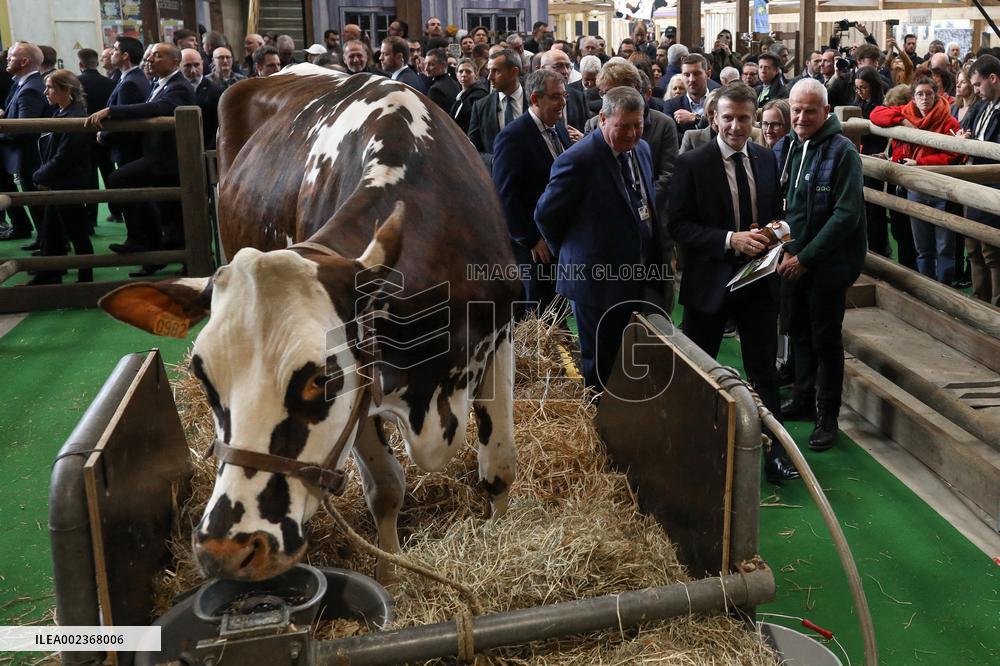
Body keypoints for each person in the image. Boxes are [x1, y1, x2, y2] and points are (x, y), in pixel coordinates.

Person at [669, 82, 799, 484]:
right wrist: (729, 239)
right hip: (710, 284)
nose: (736, 126)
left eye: (744, 118)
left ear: (754, 120)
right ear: (714, 119)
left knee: (764, 371)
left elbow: (777, 211)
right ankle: (695, 445)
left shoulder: (766, 158)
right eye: (728, 118)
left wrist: (776, 231)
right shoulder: (692, 163)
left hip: (758, 283)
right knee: (701, 370)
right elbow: (678, 226)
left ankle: (776, 453)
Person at [535, 86, 669, 390]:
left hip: (637, 277)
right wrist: (575, 254)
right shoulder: (579, 160)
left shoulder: (643, 150)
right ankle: (600, 426)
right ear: (603, 119)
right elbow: (545, 215)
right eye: (624, 126)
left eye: (638, 125)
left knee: (632, 359)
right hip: (595, 284)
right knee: (600, 366)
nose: (633, 134)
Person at [777, 79, 866, 451]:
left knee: (826, 340)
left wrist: (806, 258)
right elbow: (787, 203)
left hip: (827, 266)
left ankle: (827, 416)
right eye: (796, 110)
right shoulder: (792, 147)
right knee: (798, 330)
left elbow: (845, 215)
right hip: (792, 261)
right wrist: (780, 247)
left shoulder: (843, 151)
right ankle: (801, 399)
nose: (801, 117)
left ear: (826, 112)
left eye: (809, 110)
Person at [86, 43, 196, 272]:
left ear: (175, 62)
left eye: (158, 55)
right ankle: (155, 253)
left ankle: (145, 242)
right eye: (150, 55)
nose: (150, 59)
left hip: (167, 160)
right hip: (156, 156)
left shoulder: (179, 87)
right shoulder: (159, 83)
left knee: (120, 179)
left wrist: (113, 111)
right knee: (170, 213)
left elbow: (159, 108)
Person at [492, 69, 571, 318]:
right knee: (538, 312)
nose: (563, 102)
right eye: (556, 97)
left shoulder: (559, 129)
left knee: (558, 310)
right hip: (534, 248)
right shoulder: (512, 137)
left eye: (564, 95)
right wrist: (530, 239)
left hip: (559, 240)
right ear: (536, 100)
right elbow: (505, 196)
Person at [871, 76, 962, 284]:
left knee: (944, 247)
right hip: (914, 189)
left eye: (929, 94)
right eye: (919, 94)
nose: (924, 98)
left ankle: (944, 292)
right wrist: (902, 121)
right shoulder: (906, 112)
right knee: (922, 247)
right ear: (913, 96)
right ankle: (926, 289)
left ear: (936, 95)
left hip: (939, 187)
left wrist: (920, 161)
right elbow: (876, 114)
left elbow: (953, 155)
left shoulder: (948, 120)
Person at [28, 70, 94, 285]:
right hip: (60, 180)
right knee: (54, 230)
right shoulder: (64, 111)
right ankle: (52, 273)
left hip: (68, 181)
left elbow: (64, 156)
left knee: (74, 231)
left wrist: (40, 175)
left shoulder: (73, 116)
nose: (46, 91)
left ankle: (83, 279)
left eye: (50, 88)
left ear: (66, 90)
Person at [958, 55, 1000, 304]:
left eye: (977, 85)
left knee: (992, 251)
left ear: (992, 78)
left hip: (994, 189)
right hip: (973, 186)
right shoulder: (982, 105)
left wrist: (971, 143)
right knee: (973, 249)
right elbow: (964, 127)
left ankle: (995, 311)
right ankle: (977, 303)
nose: (975, 90)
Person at [0, 41, 48, 243]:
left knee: (37, 203)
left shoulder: (29, 88)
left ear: (25, 61)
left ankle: (49, 245)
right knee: (35, 202)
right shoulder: (23, 83)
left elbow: (23, 129)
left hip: (31, 156)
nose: (7, 60)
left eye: (11, 57)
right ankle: (44, 241)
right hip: (27, 155)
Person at [76, 48, 116, 233]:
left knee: (90, 177)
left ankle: (91, 218)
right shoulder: (110, 83)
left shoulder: (77, 83)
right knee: (109, 173)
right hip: (106, 135)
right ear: (96, 63)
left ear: (80, 64)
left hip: (86, 137)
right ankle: (117, 210)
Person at [468, 49, 525, 167]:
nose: (489, 77)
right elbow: (472, 149)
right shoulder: (481, 106)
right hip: (496, 178)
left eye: (495, 71)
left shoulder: (536, 100)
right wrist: (495, 161)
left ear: (514, 72)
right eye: (489, 71)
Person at [180, 48, 224, 149]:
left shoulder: (215, 91)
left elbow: (219, 126)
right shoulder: (176, 89)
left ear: (202, 64)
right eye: (187, 66)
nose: (193, 70)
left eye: (196, 65)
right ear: (179, 66)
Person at [662, 54, 710, 146]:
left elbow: (720, 129)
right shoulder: (672, 105)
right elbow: (673, 137)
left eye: (696, 73)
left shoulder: (718, 101)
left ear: (708, 74)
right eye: (686, 75)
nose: (691, 79)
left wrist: (695, 118)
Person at [450, 59, 488, 134]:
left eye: (468, 71)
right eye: (461, 71)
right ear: (457, 75)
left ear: (476, 75)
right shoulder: (461, 96)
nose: (464, 75)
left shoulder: (480, 96)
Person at [758, 98, 790, 164]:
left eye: (775, 124)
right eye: (765, 124)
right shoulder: (754, 153)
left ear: (788, 124)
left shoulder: (791, 158)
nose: (768, 130)